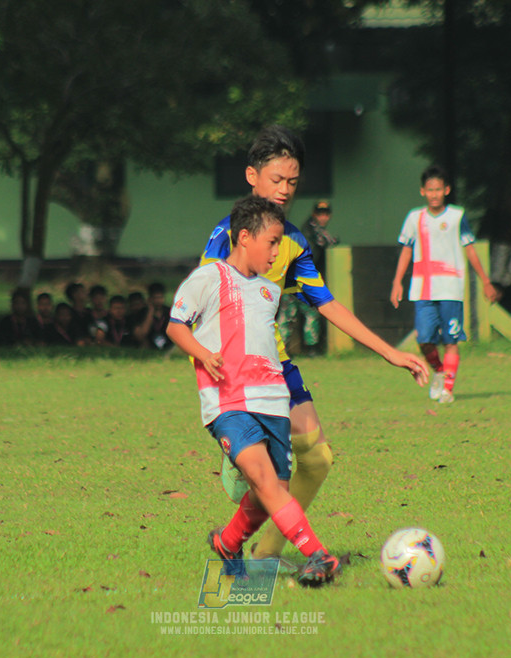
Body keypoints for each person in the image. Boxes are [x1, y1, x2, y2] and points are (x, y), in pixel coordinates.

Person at [200, 125, 429, 563]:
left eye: (292, 182)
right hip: (233, 372)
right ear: (252, 177)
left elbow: (326, 304)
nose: (285, 190)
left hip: (276, 366)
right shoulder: (226, 236)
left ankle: (258, 552)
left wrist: (390, 352)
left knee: (318, 460)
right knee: (272, 481)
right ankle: (255, 521)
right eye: (276, 180)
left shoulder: (295, 241)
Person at [170, 195, 342, 587]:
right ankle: (318, 554)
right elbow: (176, 325)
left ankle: (228, 543)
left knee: (271, 493)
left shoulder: (268, 292)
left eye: (282, 242)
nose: (278, 251)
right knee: (265, 481)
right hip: (228, 402)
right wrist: (204, 354)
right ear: (244, 237)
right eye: (273, 242)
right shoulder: (208, 278)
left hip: (273, 401)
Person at [389, 165, 499, 404]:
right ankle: (439, 370)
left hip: (451, 288)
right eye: (430, 190)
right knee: (424, 340)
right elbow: (406, 250)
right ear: (422, 191)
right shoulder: (414, 218)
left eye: (438, 189)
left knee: (450, 340)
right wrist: (397, 281)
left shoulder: (457, 216)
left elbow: (470, 249)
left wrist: (486, 281)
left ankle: (447, 389)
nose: (434, 194)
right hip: (422, 288)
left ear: (446, 190)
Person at [278, 201, 339, 356]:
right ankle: (286, 350)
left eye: (325, 213)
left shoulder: (312, 229)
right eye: (320, 213)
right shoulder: (310, 229)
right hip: (297, 278)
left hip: (301, 278)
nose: (323, 217)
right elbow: (327, 242)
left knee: (301, 314)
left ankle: (304, 349)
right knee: (291, 315)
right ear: (314, 214)